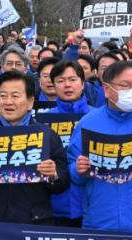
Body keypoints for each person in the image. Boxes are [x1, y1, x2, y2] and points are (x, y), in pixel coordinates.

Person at [68, 61, 132, 232]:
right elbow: (72, 170)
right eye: (125, 85)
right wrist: (78, 169)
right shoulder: (87, 123)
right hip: (99, 221)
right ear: (107, 90)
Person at [0, 71, 69, 224]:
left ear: (30, 102)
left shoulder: (47, 136)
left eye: (15, 96)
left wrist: (54, 175)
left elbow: (63, 183)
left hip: (34, 222)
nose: (8, 102)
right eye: (3, 96)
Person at [46, 60, 95, 227]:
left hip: (93, 205)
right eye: (60, 80)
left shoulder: (98, 118)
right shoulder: (43, 122)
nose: (67, 85)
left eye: (73, 79)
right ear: (53, 85)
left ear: (82, 83)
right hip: (55, 207)